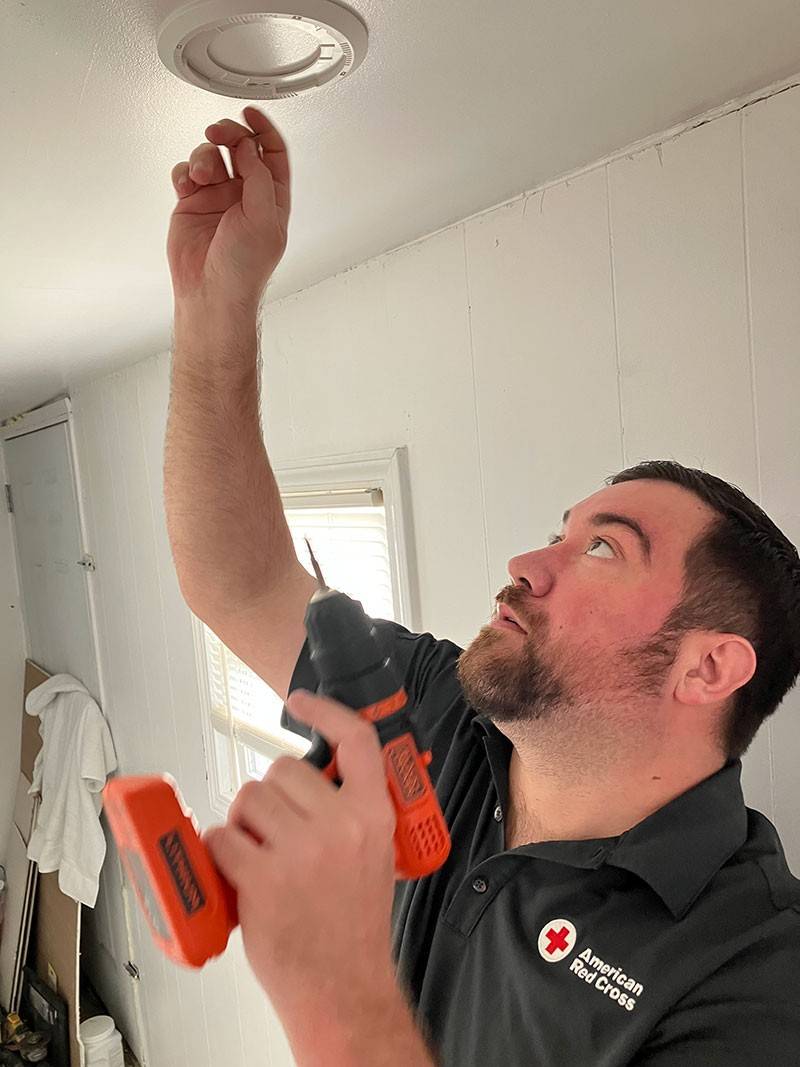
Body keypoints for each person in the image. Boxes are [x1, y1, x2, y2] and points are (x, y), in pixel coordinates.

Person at [164, 106, 800, 1065]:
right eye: (560, 532)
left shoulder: (754, 973)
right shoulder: (426, 710)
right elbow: (237, 577)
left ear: (709, 665)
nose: (525, 563)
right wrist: (215, 305)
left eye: (602, 550)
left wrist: (332, 986)